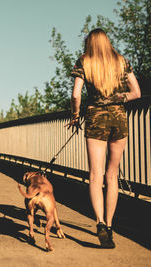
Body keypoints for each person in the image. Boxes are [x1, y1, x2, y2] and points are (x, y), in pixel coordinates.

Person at [69, 29, 141, 248]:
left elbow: (75, 95)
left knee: (95, 175)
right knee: (112, 175)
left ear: (90, 43)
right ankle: (110, 225)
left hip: (96, 120)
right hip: (119, 119)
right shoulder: (121, 62)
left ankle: (99, 222)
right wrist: (119, 97)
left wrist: (75, 116)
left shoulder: (84, 62)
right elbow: (136, 92)